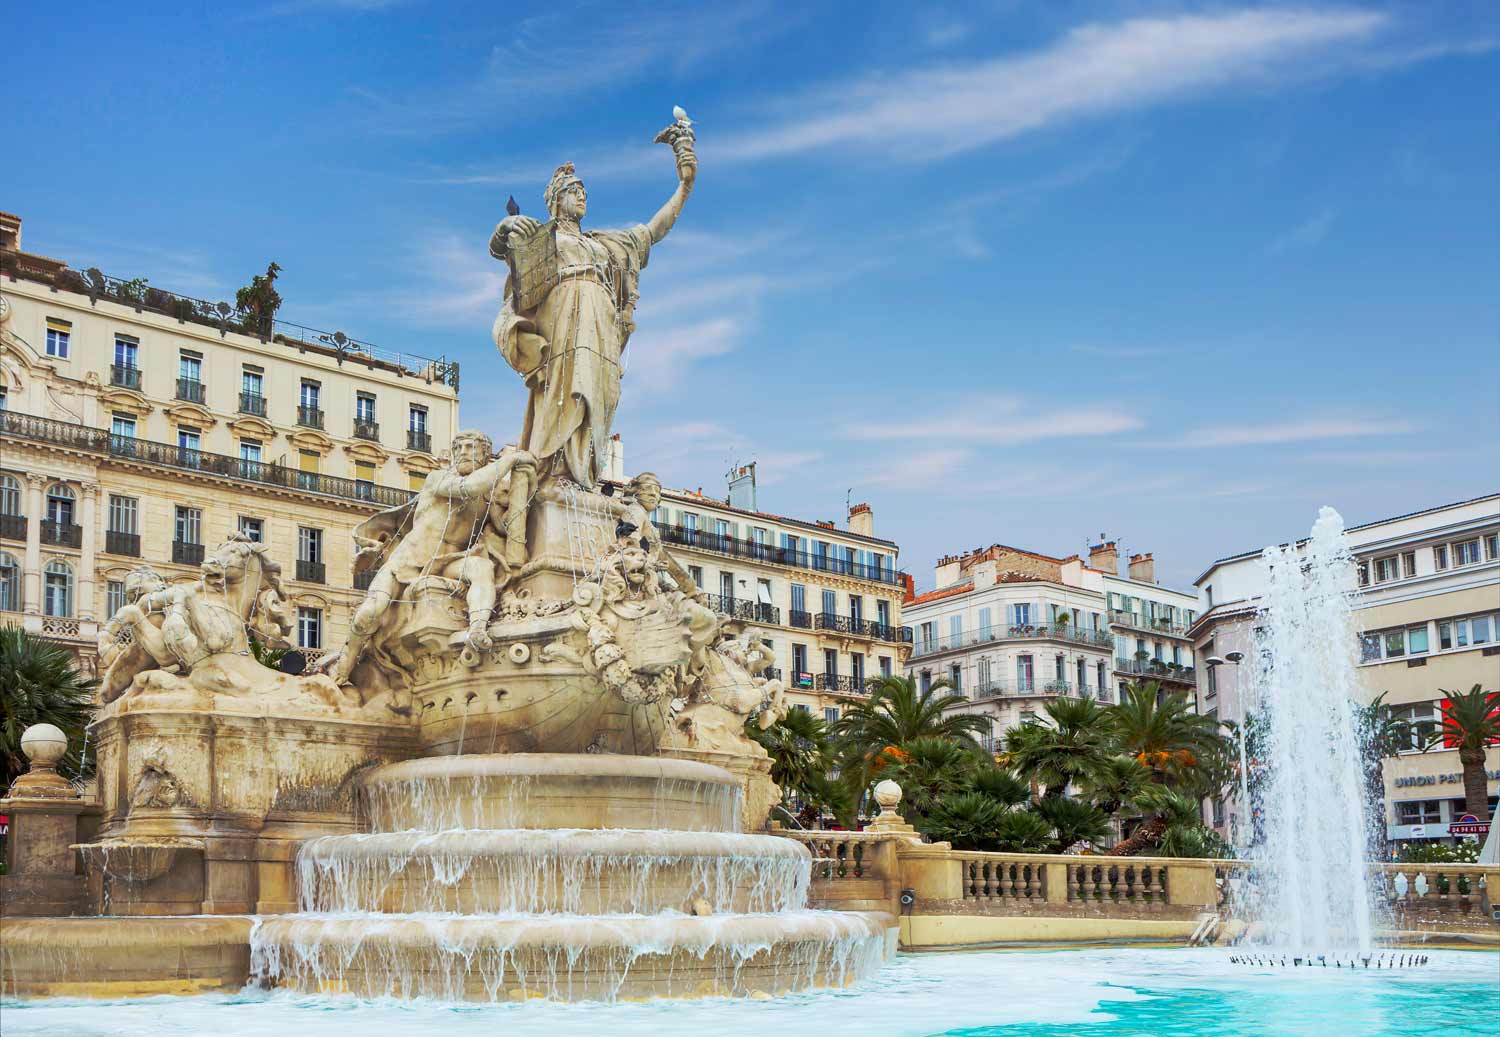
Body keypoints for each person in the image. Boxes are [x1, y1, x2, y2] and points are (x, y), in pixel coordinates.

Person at [488, 138, 696, 488]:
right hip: (565, 313)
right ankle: (555, 471)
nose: (582, 196)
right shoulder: (546, 238)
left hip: (602, 319)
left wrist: (684, 186)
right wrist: (503, 230)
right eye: (574, 190)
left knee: (601, 395)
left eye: (584, 190)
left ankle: (583, 473)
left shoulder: (604, 243)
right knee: (570, 388)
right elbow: (502, 252)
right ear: (556, 200)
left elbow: (651, 232)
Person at [315, 432, 535, 684]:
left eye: (471, 447)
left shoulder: (488, 496)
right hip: (409, 559)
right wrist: (510, 460)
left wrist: (525, 488)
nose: (463, 452)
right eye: (459, 448)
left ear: (485, 455)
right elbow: (468, 488)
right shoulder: (439, 478)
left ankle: (477, 629)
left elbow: (507, 528)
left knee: (481, 568)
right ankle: (345, 663)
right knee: (371, 610)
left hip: (449, 561)